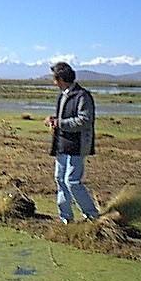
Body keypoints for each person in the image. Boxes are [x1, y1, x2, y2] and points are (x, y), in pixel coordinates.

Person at [44, 62, 100, 224]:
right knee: (60, 179)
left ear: (60, 78)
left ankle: (92, 215)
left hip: (77, 145)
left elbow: (85, 120)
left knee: (72, 181)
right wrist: (55, 121)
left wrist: (60, 123)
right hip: (62, 144)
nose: (53, 81)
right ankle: (65, 218)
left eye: (54, 78)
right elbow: (64, 119)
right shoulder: (63, 95)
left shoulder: (82, 96)